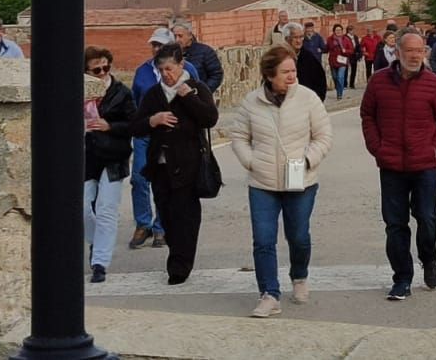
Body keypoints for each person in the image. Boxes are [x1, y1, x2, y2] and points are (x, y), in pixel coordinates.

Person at [226, 44, 333, 318]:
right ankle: (269, 294)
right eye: (285, 71)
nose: (291, 75)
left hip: (301, 180)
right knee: (263, 240)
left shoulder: (308, 99)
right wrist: (251, 161)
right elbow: (238, 136)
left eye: (293, 70)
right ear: (269, 74)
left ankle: (299, 276)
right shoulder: (252, 102)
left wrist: (308, 160)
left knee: (298, 236)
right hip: (262, 183)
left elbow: (323, 136)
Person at [360, 31, 436, 301]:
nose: (416, 55)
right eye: (410, 50)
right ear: (398, 52)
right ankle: (401, 278)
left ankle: (429, 259)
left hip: (425, 163)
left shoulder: (432, 83)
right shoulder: (379, 82)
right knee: (395, 224)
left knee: (426, 217)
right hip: (391, 165)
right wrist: (376, 147)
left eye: (420, 50)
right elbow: (367, 114)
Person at [130, 43, 219, 285]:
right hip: (160, 165)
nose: (166, 74)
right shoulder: (154, 94)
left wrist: (188, 97)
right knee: (167, 215)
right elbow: (135, 126)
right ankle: (176, 252)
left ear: (181, 65)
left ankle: (180, 266)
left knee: (186, 216)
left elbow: (210, 118)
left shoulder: (196, 88)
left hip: (189, 164)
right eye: (161, 70)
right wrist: (152, 120)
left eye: (170, 68)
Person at [129, 27, 199, 250]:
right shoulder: (142, 71)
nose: (156, 48)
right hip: (147, 134)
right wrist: (149, 120)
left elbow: (199, 98)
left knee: (165, 180)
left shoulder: (189, 70)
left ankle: (161, 227)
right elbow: (135, 102)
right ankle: (143, 224)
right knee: (139, 178)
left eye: (160, 45)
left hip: (172, 138)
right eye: (154, 45)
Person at [83, 46, 135, 283]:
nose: (102, 72)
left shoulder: (121, 92)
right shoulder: (79, 92)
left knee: (106, 209)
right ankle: (96, 240)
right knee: (81, 207)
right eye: (96, 69)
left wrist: (110, 126)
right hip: (86, 155)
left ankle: (100, 263)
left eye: (106, 67)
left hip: (114, 155)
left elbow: (134, 124)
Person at [282, 22, 329, 102]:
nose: (299, 41)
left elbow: (320, 81)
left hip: (307, 104)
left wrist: (317, 101)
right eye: (295, 37)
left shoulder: (309, 58)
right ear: (287, 39)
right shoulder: (279, 58)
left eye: (301, 37)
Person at [173, 21, 224, 94]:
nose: (177, 40)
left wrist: (203, 92)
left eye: (180, 36)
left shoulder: (205, 52)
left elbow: (216, 75)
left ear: (190, 35)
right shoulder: (171, 53)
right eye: (175, 36)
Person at [325, 24, 353, 100]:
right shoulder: (330, 39)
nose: (338, 32)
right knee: (335, 77)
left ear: (342, 31)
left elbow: (351, 50)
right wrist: (320, 50)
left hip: (342, 61)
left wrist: (345, 51)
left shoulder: (346, 39)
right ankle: (338, 89)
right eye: (337, 30)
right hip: (333, 61)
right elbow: (326, 49)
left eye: (340, 30)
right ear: (334, 31)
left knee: (340, 77)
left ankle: (339, 94)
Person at [346, 24, 365, 90]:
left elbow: (358, 46)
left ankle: (352, 84)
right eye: (351, 30)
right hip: (347, 55)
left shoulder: (355, 37)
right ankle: (345, 84)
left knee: (354, 70)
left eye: (353, 30)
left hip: (354, 55)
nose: (353, 31)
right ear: (348, 31)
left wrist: (360, 53)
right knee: (346, 70)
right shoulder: (345, 37)